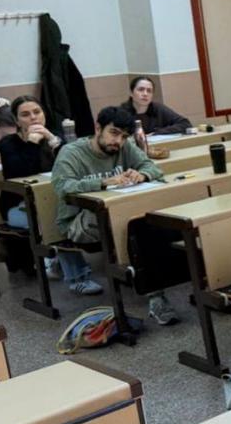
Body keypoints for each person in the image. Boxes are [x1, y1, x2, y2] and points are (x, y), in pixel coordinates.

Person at [52, 106, 181, 326]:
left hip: (119, 215)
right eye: (114, 133)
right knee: (137, 227)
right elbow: (62, 187)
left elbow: (152, 168)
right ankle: (150, 289)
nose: (118, 141)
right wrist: (103, 182)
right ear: (98, 128)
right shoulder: (71, 152)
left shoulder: (125, 147)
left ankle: (154, 290)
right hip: (79, 221)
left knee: (144, 223)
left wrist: (142, 175)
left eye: (124, 136)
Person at [0, 97, 68, 276]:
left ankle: (68, 268)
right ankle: (55, 263)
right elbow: (20, 173)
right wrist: (32, 143)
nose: (33, 118)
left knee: (67, 213)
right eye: (25, 114)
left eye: (37, 112)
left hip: (52, 199)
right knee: (52, 217)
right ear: (16, 120)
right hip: (18, 205)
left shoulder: (54, 137)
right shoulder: (8, 143)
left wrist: (52, 140)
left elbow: (72, 164)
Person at [122, 76, 191, 136]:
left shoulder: (158, 108)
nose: (145, 94)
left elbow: (185, 124)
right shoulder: (121, 113)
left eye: (149, 91)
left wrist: (157, 132)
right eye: (141, 90)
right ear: (131, 93)